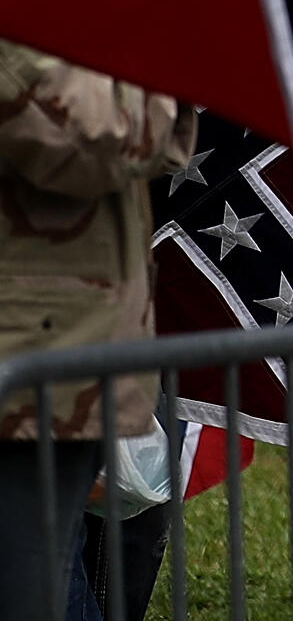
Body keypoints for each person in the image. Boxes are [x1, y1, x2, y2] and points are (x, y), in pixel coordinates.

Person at [0, 45, 192, 621]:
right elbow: (96, 137)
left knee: (46, 562)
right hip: (34, 348)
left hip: (52, 345)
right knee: (33, 578)